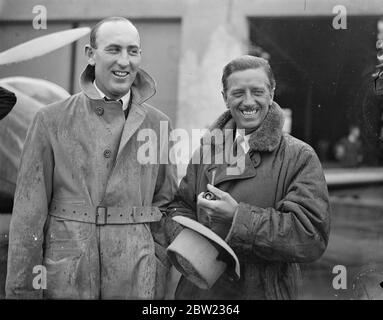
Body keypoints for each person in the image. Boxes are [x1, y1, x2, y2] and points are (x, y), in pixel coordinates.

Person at [6, 17, 177, 299]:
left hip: (136, 278)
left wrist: (154, 263)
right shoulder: (51, 119)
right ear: (90, 54)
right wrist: (22, 291)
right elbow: (28, 217)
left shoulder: (159, 124)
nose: (125, 61)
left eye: (133, 51)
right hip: (66, 277)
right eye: (114, 49)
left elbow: (165, 204)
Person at [166, 55, 330, 300]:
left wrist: (238, 218)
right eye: (238, 93)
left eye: (257, 91)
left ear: (271, 94)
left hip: (261, 292)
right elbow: (180, 206)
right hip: (202, 292)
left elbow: (310, 236)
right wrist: (191, 247)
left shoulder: (299, 156)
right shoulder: (207, 149)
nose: (248, 101)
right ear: (225, 97)